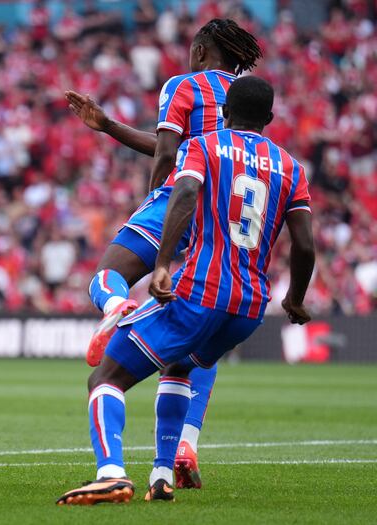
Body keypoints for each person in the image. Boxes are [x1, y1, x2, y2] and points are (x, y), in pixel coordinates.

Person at [57, 76, 315, 505]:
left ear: (225, 112)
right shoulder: (291, 167)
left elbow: (186, 193)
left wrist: (161, 266)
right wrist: (296, 299)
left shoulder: (205, 145)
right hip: (248, 308)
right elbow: (305, 244)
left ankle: (111, 474)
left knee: (105, 378)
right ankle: (162, 474)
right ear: (270, 119)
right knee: (179, 367)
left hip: (199, 292)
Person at [64, 18, 262, 488]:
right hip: (222, 219)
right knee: (195, 347)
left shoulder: (185, 85)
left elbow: (169, 151)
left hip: (179, 199)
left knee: (105, 276)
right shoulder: (245, 97)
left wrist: (156, 197)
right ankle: (175, 455)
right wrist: (109, 126)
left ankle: (116, 308)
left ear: (199, 52)